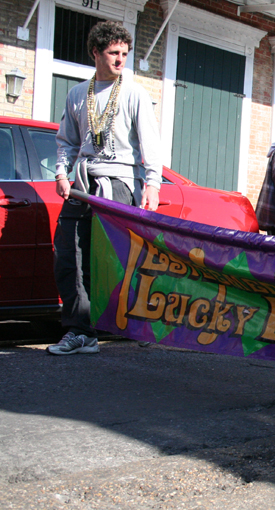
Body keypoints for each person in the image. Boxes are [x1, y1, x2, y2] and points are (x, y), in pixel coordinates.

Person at [47, 21, 162, 356]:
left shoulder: (135, 93)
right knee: (68, 255)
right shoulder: (76, 94)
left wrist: (152, 183)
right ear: (95, 52)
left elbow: (149, 143)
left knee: (118, 258)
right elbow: (66, 142)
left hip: (120, 182)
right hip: (83, 184)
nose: (120, 60)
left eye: (124, 53)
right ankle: (80, 331)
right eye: (113, 53)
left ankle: (134, 322)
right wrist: (60, 174)